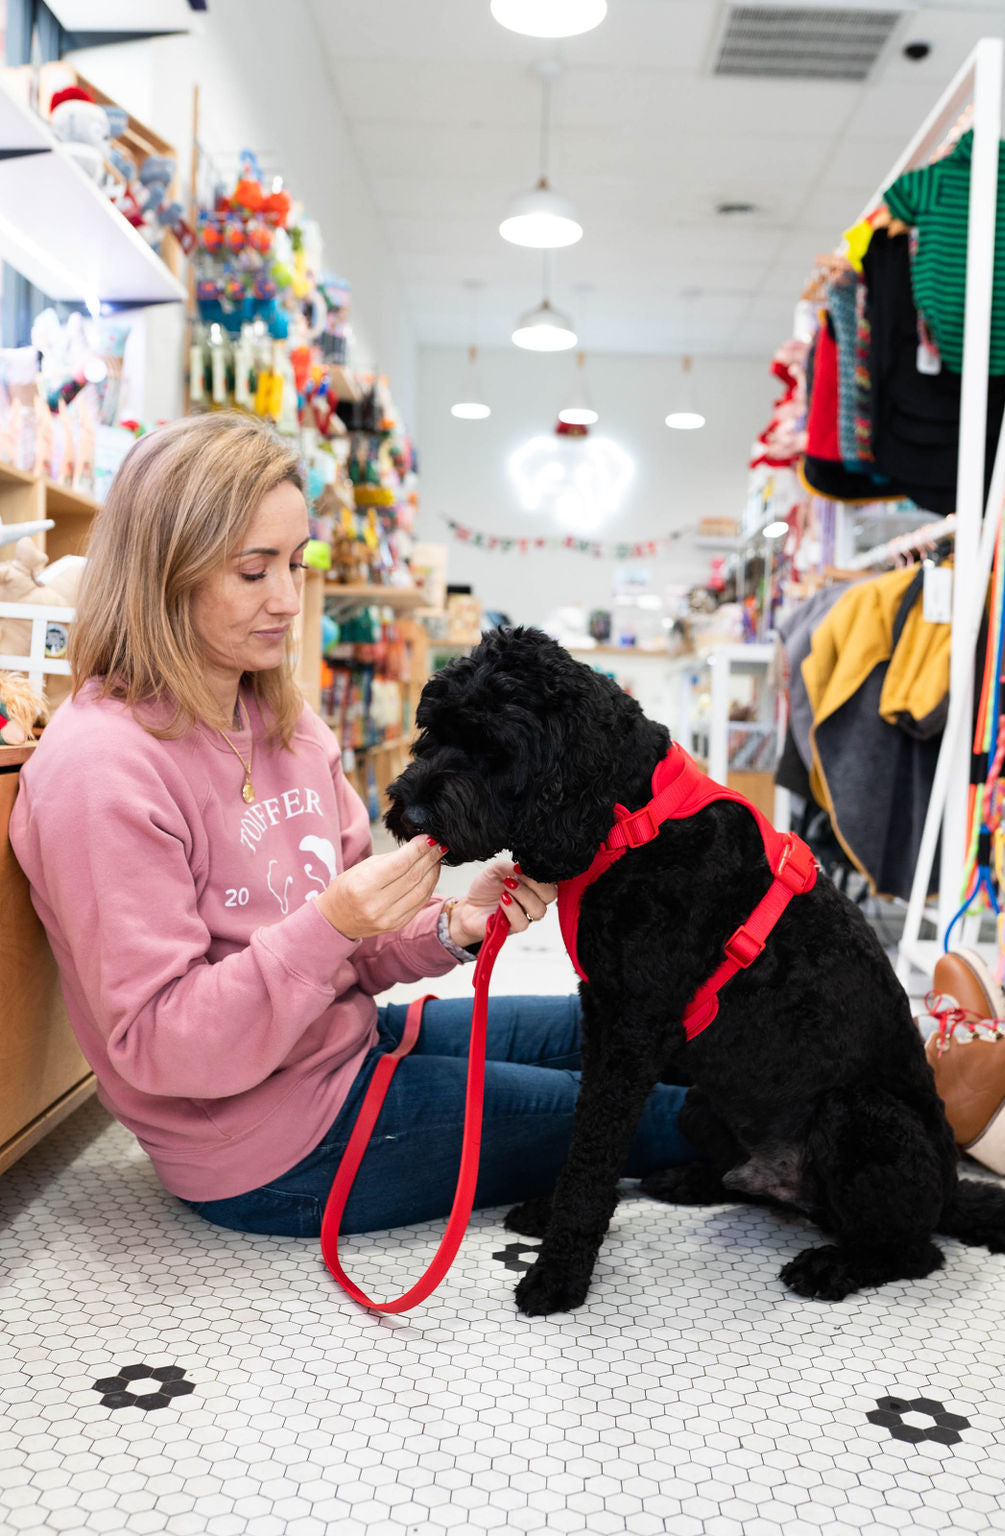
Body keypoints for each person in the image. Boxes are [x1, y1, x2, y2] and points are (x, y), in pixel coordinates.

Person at [10, 412, 698, 1239]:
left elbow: (352, 962)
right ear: (164, 571)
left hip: (347, 1045)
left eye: (297, 564)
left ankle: (869, 1074)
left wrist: (448, 925)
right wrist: (331, 921)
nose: (289, 601)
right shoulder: (99, 770)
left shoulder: (288, 724)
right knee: (657, 1119)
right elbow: (162, 1045)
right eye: (253, 570)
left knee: (645, 1017)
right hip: (271, 1146)